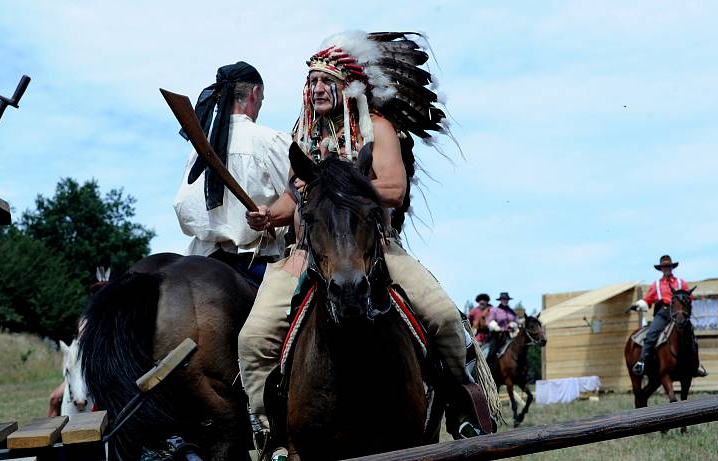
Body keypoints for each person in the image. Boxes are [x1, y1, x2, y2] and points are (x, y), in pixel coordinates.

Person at [239, 31, 498, 451]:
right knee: (253, 338)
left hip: (374, 249)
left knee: (444, 316)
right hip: (306, 254)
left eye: (327, 81)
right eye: (312, 82)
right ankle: (270, 433)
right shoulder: (303, 134)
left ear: (349, 87)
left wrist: (345, 189)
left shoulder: (377, 127)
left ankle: (463, 409)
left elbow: (394, 188)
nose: (318, 89)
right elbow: (293, 196)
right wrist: (270, 215)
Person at [173, 61, 291, 286]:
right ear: (255, 93)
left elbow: (183, 206)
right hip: (255, 263)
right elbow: (299, 200)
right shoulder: (271, 141)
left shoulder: (199, 148)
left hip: (199, 259)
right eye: (262, 100)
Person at [631, 255, 708, 377]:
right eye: (664, 266)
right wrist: (638, 305)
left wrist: (685, 301)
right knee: (651, 334)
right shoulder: (656, 284)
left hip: (679, 313)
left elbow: (689, 296)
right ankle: (642, 362)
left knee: (691, 335)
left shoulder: (680, 282)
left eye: (668, 266)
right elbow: (648, 299)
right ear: (661, 269)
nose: (667, 268)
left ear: (672, 267)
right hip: (663, 312)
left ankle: (695, 365)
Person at [485, 292, 519, 362]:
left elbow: (517, 321)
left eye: (506, 299)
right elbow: (489, 321)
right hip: (497, 335)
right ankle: (489, 366)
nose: (505, 300)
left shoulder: (512, 312)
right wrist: (495, 326)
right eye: (503, 299)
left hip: (509, 335)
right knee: (492, 352)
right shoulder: (494, 310)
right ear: (500, 300)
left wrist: (514, 324)